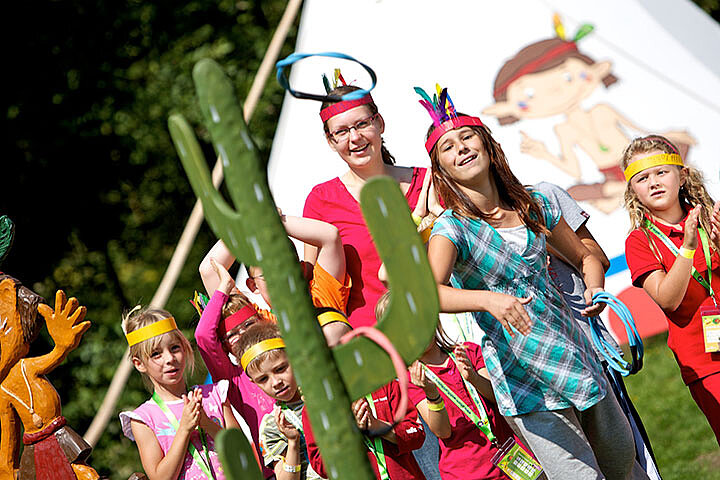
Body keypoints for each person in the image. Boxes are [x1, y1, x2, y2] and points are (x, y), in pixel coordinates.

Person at [422, 86, 645, 480]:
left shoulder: (533, 203)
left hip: (576, 355)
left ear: (488, 145)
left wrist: (593, 286)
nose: (461, 148)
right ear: (442, 171)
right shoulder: (450, 229)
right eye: (448, 148)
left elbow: (584, 256)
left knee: (624, 467)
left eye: (467, 137)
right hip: (524, 376)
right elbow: (429, 292)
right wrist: (488, 300)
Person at [303, 83, 429, 328]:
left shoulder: (427, 183)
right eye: (341, 131)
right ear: (330, 140)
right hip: (370, 343)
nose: (355, 138)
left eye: (362, 124)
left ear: (379, 123)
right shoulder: (321, 200)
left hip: (441, 338)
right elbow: (315, 285)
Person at [622, 134, 720, 444]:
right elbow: (668, 299)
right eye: (642, 178)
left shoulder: (711, 217)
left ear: (682, 176)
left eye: (661, 172)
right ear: (633, 191)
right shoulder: (639, 241)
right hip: (706, 362)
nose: (653, 182)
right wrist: (688, 248)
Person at [302, 306, 427, 480]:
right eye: (330, 353)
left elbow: (417, 435)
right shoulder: (315, 408)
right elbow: (321, 466)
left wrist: (378, 427)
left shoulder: (384, 383)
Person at [119, 306, 240, 480]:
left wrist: (206, 422)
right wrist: (184, 428)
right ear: (139, 364)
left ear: (184, 349)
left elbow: (240, 449)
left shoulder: (214, 395)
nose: (169, 359)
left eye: (174, 348)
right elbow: (160, 477)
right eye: (156, 354)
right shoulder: (143, 419)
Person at [194, 259, 276, 477]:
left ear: (262, 320)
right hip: (274, 469)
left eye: (249, 324)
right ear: (225, 344)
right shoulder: (233, 378)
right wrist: (223, 288)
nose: (243, 335)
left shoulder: (283, 350)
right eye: (232, 334)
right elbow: (203, 336)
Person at [199, 211, 351, 319]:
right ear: (253, 286)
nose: (280, 279)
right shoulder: (258, 322)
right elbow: (208, 270)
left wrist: (274, 220)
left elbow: (330, 236)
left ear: (302, 269)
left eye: (287, 268)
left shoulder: (324, 298)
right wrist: (246, 225)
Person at [233, 322, 324, 480]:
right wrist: (293, 442)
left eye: (280, 369)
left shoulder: (324, 393)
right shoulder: (272, 425)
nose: (276, 382)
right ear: (254, 383)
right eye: (263, 379)